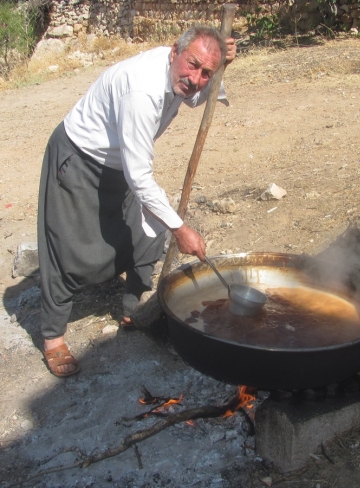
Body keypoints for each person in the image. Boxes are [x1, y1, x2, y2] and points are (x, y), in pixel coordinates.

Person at [37, 26, 237, 377]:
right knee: (67, 250)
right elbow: (140, 176)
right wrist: (181, 227)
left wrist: (223, 70)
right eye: (193, 65)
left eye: (207, 72)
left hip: (120, 163)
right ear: (175, 52)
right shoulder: (141, 90)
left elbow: (192, 98)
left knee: (148, 232)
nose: (196, 79)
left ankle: (135, 309)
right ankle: (53, 336)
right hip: (80, 159)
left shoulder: (180, 77)